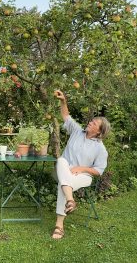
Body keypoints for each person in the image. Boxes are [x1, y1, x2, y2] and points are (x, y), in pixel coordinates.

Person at [52, 90, 111, 239]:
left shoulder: (100, 149)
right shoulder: (77, 131)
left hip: (83, 176)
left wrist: (81, 168)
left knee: (63, 185)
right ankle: (66, 211)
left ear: (99, 132)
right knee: (61, 161)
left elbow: (99, 171)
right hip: (65, 172)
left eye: (94, 123)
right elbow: (66, 116)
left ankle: (61, 221)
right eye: (91, 121)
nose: (90, 122)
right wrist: (63, 101)